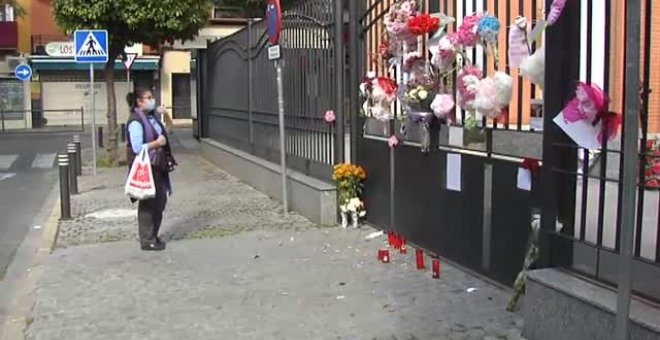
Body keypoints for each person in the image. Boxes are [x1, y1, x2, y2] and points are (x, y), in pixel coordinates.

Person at [125, 88, 176, 251]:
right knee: (148, 202)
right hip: (145, 167)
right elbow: (137, 148)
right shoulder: (135, 121)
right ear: (140, 102)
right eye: (148, 98)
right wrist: (157, 143)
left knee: (160, 200)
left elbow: (168, 130)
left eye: (152, 97)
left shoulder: (152, 117)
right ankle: (147, 240)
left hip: (158, 165)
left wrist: (166, 114)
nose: (152, 100)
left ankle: (154, 234)